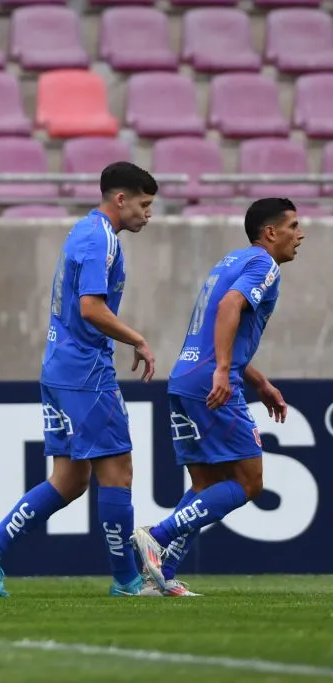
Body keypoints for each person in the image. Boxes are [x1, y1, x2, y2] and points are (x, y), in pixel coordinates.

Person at [0, 162, 159, 598]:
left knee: (69, 479)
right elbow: (90, 308)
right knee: (118, 471)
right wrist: (137, 339)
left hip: (61, 366)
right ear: (120, 199)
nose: (148, 214)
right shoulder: (99, 238)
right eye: (144, 205)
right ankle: (127, 580)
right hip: (85, 370)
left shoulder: (86, 230)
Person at [132, 198, 302, 596]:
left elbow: (220, 323)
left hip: (186, 377)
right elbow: (229, 307)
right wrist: (225, 371)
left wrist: (257, 379)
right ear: (270, 232)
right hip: (212, 381)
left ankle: (160, 577)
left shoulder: (232, 261)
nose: (301, 234)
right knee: (248, 483)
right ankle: (157, 534)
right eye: (293, 226)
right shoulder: (265, 266)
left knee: (207, 486)